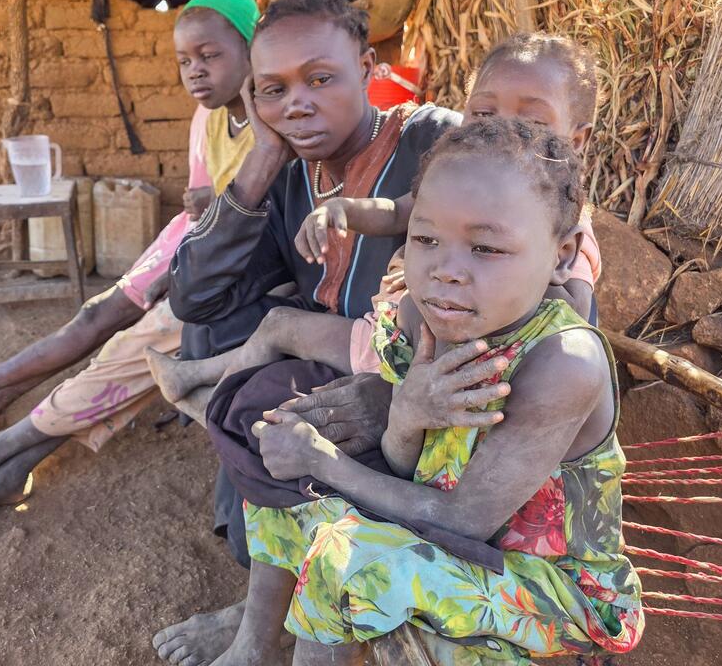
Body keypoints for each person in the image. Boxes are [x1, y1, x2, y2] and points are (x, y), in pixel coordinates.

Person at [214, 118, 644, 666]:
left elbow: (466, 521)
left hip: (552, 588)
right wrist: (403, 415)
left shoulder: (561, 363)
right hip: (441, 535)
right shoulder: (426, 316)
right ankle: (252, 647)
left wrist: (325, 462)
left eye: (485, 248)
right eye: (425, 238)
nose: (446, 270)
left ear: (562, 256)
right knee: (286, 500)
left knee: (348, 556)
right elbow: (404, 466)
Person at [154, 0, 475, 666]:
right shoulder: (291, 172)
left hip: (428, 388)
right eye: (272, 89)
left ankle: (277, 606)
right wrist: (263, 161)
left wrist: (393, 394)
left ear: (366, 66)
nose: (296, 103)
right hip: (333, 369)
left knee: (264, 385)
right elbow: (196, 296)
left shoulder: (432, 140)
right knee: (214, 337)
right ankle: (268, 587)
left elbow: (511, 272)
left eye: (320, 79)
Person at [0, 0, 260, 527]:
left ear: (253, 50)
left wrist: (201, 235)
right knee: (101, 319)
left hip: (231, 269)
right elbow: (200, 205)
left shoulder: (274, 126)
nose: (195, 71)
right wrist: (190, 240)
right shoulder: (206, 121)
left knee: (124, 347)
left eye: (210, 56)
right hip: (195, 249)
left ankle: (3, 452)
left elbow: (253, 216)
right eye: (185, 61)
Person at [147, 32, 606, 403]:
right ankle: (204, 381)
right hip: (390, 329)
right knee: (275, 328)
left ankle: (204, 387)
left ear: (578, 140)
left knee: (282, 329)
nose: (500, 128)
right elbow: (396, 212)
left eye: (534, 122)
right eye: (484, 112)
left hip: (420, 353)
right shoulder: (452, 186)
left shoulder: (562, 221)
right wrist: (343, 209)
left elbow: (575, 320)